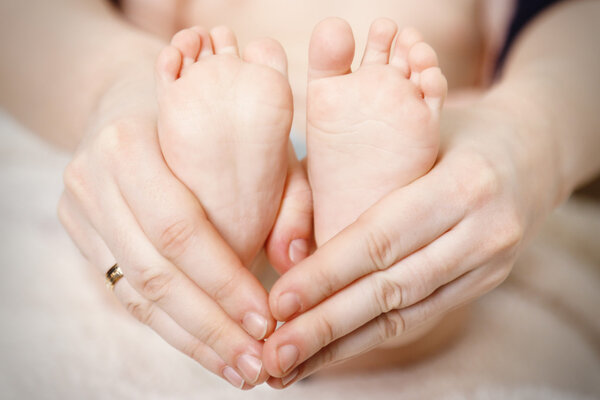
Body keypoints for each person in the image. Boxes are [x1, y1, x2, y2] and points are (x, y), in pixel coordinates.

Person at [1, 0, 599, 391]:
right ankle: (269, 222)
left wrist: (525, 126)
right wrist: (116, 83)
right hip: (335, 131)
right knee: (166, 198)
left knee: (415, 242)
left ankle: (245, 229)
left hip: (406, 155)